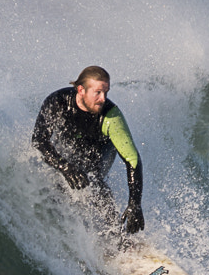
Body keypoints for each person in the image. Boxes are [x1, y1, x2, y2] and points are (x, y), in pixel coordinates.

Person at [31, 65, 144, 238]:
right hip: (69, 148)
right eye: (98, 92)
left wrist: (134, 204)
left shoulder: (111, 115)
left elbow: (132, 160)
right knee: (58, 183)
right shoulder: (58, 102)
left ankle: (118, 236)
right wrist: (64, 167)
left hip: (100, 151)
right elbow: (39, 141)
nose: (103, 98)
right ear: (81, 90)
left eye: (106, 92)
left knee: (92, 179)